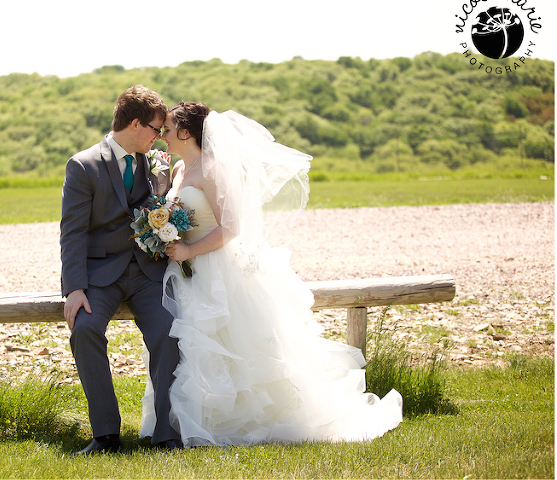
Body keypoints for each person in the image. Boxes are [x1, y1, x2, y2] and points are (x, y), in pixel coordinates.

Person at [139, 102, 403, 447]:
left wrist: (189, 250)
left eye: (169, 129)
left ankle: (243, 417)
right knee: (189, 346)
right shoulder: (177, 169)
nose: (163, 135)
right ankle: (187, 419)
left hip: (217, 269)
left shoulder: (212, 170)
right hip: (185, 273)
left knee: (231, 343)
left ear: (186, 132)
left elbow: (231, 227)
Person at [60, 85, 182, 454]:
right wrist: (74, 289)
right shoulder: (83, 165)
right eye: (155, 129)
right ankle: (106, 434)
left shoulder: (155, 162)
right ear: (135, 124)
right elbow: (72, 232)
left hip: (147, 273)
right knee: (84, 330)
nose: (159, 137)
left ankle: (167, 434)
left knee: (170, 332)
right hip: (100, 276)